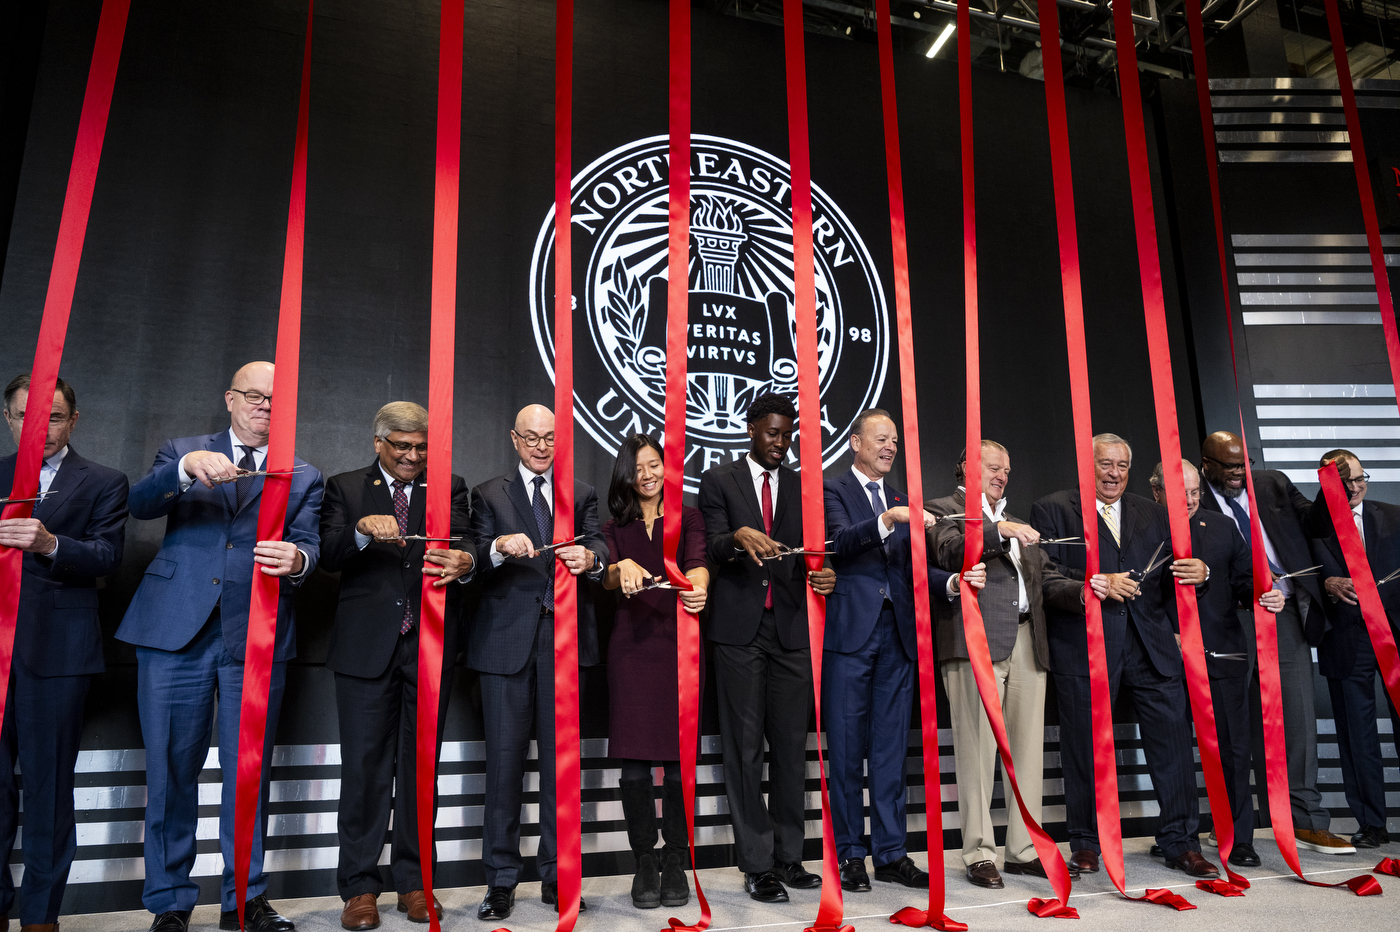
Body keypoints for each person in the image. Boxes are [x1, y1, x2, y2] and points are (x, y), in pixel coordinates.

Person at [117, 361, 324, 932]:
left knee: (247, 774)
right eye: (254, 396)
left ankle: (245, 898)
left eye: (276, 401)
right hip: (172, 633)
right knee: (169, 772)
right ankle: (170, 903)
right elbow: (139, 506)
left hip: (254, 635)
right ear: (230, 399)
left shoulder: (303, 474)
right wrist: (183, 470)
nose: (265, 407)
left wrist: (299, 560)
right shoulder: (182, 450)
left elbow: (308, 545)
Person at [1029, 433, 1219, 879]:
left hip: (1151, 647)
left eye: (1122, 466)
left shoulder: (1153, 512)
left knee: (1172, 745)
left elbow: (1177, 572)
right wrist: (1095, 583)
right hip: (1086, 644)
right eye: (1105, 465)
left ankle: (1180, 842)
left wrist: (1202, 573)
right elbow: (1046, 576)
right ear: (1087, 464)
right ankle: (1087, 842)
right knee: (1085, 748)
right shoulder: (1053, 508)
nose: (1114, 474)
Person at [319, 402, 476, 930]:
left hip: (430, 646)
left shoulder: (449, 486)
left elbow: (466, 540)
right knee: (363, 772)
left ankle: (415, 883)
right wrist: (362, 529)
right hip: (366, 650)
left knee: (419, 771)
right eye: (402, 446)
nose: (412, 456)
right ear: (378, 442)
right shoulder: (344, 488)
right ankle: (359, 889)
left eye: (420, 447)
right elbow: (328, 554)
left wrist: (468, 560)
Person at [823, 410, 978, 893]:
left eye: (895, 440)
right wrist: (888, 519)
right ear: (855, 442)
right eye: (881, 439)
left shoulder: (899, 496)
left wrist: (950, 582)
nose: (890, 447)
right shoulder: (833, 490)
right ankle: (850, 853)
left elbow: (913, 570)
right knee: (847, 749)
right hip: (850, 634)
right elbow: (839, 542)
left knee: (891, 751)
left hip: (899, 637)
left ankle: (890, 852)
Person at [466, 404, 609, 921]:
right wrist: (500, 548)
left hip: (566, 643)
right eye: (531, 437)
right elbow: (471, 559)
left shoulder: (583, 493)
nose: (541, 446)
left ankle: (559, 876)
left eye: (549, 437)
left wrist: (592, 559)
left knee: (560, 771)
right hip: (505, 645)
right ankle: (500, 882)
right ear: (514, 438)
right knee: (503, 769)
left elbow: (599, 546)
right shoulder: (487, 494)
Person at [697, 393, 836, 904]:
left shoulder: (805, 486)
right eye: (773, 433)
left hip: (792, 633)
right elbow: (709, 545)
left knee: (790, 752)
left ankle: (788, 857)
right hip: (738, 632)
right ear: (751, 428)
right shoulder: (719, 481)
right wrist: (737, 536)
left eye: (788, 434)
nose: (781, 443)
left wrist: (825, 575)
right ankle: (757, 865)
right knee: (745, 750)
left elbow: (815, 552)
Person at [0, 375, 128, 932]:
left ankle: (40, 918)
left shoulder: (104, 481)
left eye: (52, 416)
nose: (40, 428)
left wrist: (51, 544)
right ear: (8, 417)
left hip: (57, 654)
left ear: (73, 421)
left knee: (49, 789)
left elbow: (106, 556)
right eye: (26, 415)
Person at [928, 441, 1082, 889]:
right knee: (977, 750)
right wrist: (1003, 530)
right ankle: (979, 851)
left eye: (1006, 469)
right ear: (966, 469)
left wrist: (1081, 592)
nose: (1002, 475)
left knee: (1027, 752)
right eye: (994, 467)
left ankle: (1022, 849)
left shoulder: (1020, 525)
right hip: (975, 642)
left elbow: (1045, 579)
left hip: (1027, 641)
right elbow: (952, 551)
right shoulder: (944, 509)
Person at [1196, 431, 1354, 854]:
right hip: (1229, 619)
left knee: (1298, 720)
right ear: (1206, 463)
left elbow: (1316, 522)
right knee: (1232, 727)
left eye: (1242, 464)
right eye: (1228, 467)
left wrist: (1332, 491)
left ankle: (1306, 820)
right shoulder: (1195, 497)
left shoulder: (1272, 483)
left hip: (1283, 612)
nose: (1237, 473)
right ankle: (1230, 823)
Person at [1149, 459, 1284, 868]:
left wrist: (1267, 594)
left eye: (1194, 492)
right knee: (1173, 755)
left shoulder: (1223, 527)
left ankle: (1239, 837)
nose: (1189, 500)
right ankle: (1179, 835)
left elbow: (1246, 581)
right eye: (1179, 493)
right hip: (1164, 657)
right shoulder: (1142, 526)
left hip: (1222, 656)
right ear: (1156, 492)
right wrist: (1163, 634)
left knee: (1233, 751)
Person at [600, 434, 709, 910]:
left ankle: (677, 859)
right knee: (635, 764)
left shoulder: (689, 516)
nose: (645, 475)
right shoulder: (612, 527)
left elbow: (699, 565)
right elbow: (603, 574)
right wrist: (617, 565)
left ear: (667, 468)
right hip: (630, 649)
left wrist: (699, 588)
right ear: (626, 475)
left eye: (653, 465)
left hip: (677, 647)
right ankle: (645, 859)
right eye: (636, 468)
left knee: (679, 759)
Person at [1308, 450, 1399, 850]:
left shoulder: (1393, 515)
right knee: (1358, 736)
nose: (1356, 487)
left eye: (1361, 479)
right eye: (1345, 482)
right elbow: (1303, 572)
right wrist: (1328, 582)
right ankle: (1372, 823)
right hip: (1346, 639)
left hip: (1396, 635)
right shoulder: (1312, 526)